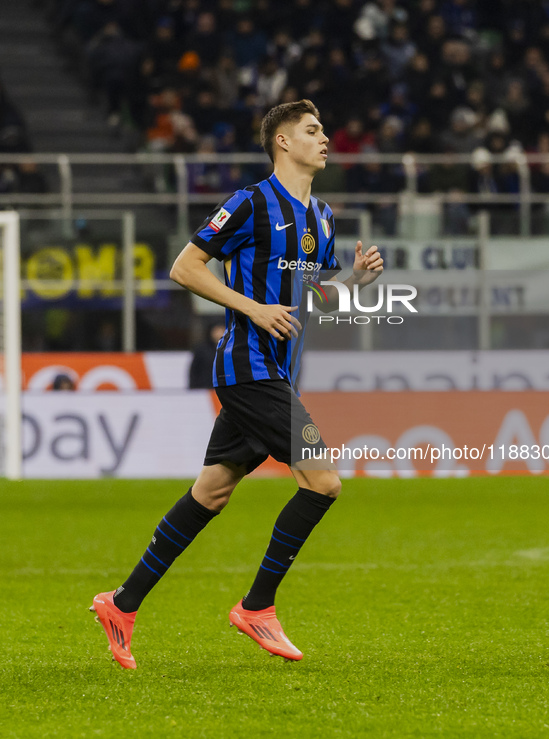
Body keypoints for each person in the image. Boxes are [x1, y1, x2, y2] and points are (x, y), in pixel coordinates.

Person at [90, 99, 383, 668]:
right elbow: (185, 267)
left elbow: (307, 300)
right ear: (282, 142)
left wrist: (355, 280)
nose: (325, 138)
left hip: (277, 371)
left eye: (323, 129)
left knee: (212, 492)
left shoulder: (321, 217)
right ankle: (257, 607)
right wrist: (251, 308)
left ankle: (122, 603)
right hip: (247, 369)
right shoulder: (249, 203)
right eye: (312, 130)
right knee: (323, 481)